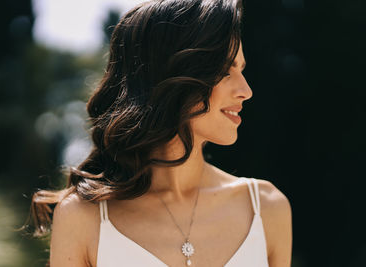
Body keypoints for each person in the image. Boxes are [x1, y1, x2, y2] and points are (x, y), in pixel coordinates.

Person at [31, 0, 292, 266]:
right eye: (225, 71)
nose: (245, 91)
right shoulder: (83, 218)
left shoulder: (266, 208)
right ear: (171, 76)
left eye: (241, 69)